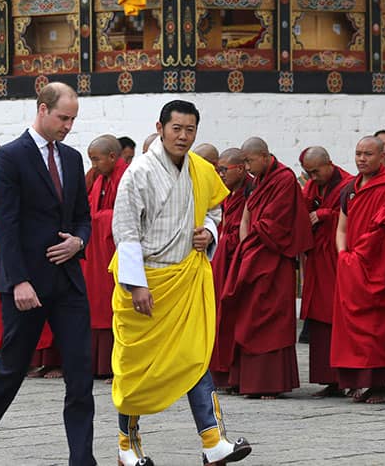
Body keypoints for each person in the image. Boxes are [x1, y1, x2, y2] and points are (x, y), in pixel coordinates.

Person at [0, 82, 95, 466]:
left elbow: (82, 218)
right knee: (11, 368)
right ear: (42, 109)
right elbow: (5, 223)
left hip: (67, 279)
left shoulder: (71, 159)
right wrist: (19, 280)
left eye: (72, 120)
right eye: (62, 118)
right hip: (26, 283)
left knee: (80, 373)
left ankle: (82, 459)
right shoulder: (10, 158)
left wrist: (80, 242)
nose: (68, 126)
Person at [110, 99, 250, 466]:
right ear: (160, 128)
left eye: (190, 130)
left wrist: (210, 233)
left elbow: (214, 209)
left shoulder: (200, 169)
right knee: (135, 368)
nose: (183, 136)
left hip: (185, 277)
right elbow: (124, 231)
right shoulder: (138, 172)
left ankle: (213, 441)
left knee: (194, 357)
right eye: (177, 129)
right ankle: (127, 446)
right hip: (148, 281)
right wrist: (136, 284)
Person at [223, 136, 312, 399]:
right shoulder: (260, 180)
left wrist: (249, 237)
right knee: (249, 316)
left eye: (250, 161)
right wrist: (245, 242)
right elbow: (249, 214)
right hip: (254, 253)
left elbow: (275, 223)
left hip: (274, 258)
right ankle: (247, 381)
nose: (248, 167)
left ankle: (270, 384)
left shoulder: (284, 179)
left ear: (264, 156)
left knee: (271, 322)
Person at [332, 136, 385, 404]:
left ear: (382, 157)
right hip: (350, 267)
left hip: (376, 267)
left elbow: (380, 230)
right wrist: (343, 255)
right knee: (351, 329)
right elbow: (341, 227)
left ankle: (378, 385)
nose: (361, 159)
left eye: (368, 154)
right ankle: (358, 383)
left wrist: (358, 257)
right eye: (358, 153)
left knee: (376, 326)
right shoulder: (349, 189)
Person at [298, 146, 352, 398]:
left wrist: (324, 214)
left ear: (329, 164)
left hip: (336, 260)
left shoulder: (348, 185)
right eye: (308, 173)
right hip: (318, 261)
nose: (312, 177)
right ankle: (328, 378)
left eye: (316, 171)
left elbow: (354, 216)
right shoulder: (311, 185)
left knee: (338, 317)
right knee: (320, 322)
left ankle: (346, 378)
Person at [85, 135, 128, 379]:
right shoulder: (99, 178)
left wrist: (99, 219)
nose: (94, 165)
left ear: (112, 157)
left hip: (116, 252)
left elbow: (127, 213)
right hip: (98, 253)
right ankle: (99, 365)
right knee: (97, 302)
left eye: (96, 159)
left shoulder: (127, 177)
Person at [210, 148, 251, 390]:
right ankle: (222, 373)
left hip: (238, 259)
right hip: (223, 260)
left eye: (224, 170)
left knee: (235, 315)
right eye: (218, 170)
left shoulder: (250, 191)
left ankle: (236, 375)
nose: (220, 174)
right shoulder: (225, 193)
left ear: (241, 168)